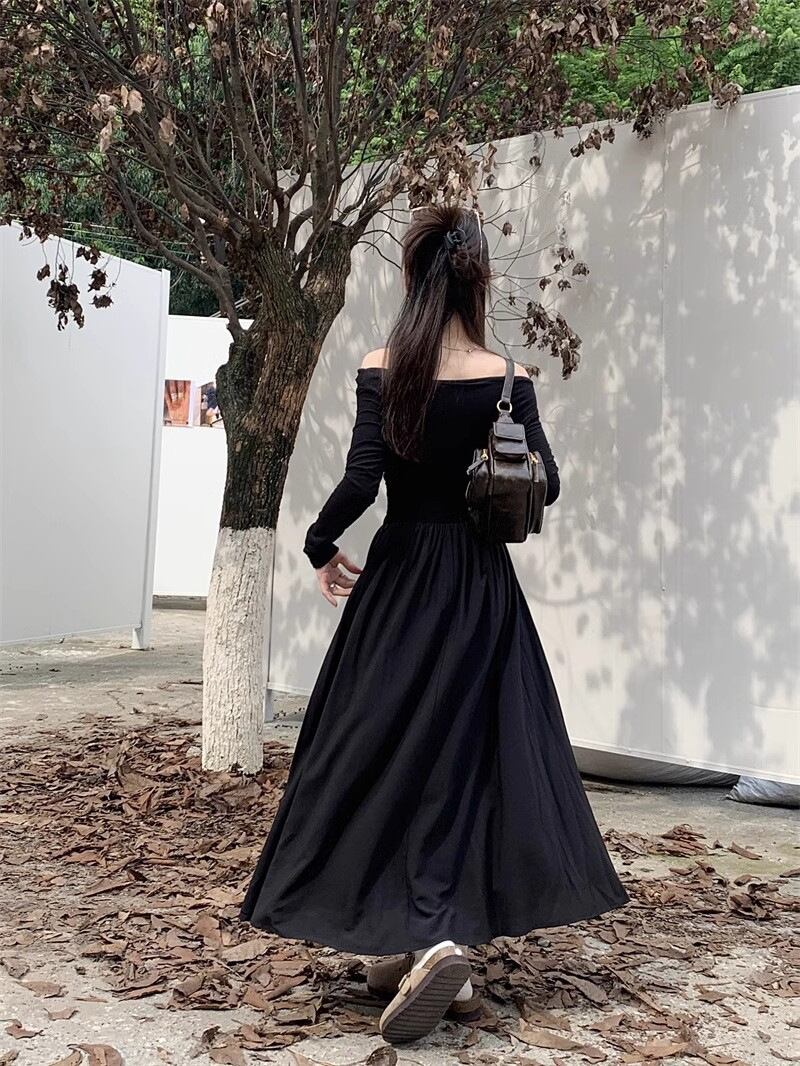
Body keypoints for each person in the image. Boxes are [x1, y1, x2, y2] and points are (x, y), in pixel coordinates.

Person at [240, 204, 629, 1045]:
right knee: (470, 757)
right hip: (480, 586)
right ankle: (425, 944)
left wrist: (317, 545)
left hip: (400, 580)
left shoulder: (383, 367)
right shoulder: (506, 375)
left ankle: (422, 937)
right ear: (477, 277)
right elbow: (549, 483)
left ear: (413, 273)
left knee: (376, 750)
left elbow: (363, 480)